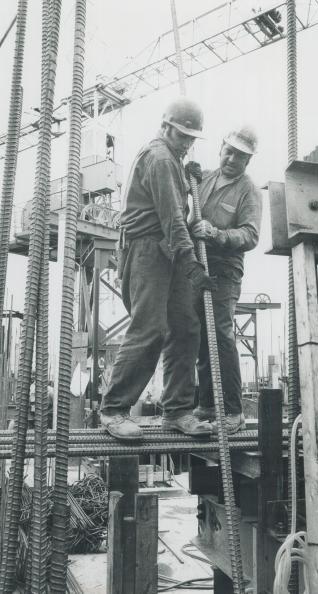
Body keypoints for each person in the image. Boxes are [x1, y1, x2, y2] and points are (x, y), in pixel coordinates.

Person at [100, 97, 217, 441]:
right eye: (182, 136)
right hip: (149, 250)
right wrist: (192, 263)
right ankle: (114, 409)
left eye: (191, 139)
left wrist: (189, 177)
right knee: (149, 328)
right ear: (166, 127)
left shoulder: (173, 161)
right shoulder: (161, 158)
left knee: (186, 327)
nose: (187, 143)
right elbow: (172, 221)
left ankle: (178, 410)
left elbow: (180, 217)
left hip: (167, 252)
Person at [191, 127, 262, 434]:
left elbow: (251, 234)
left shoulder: (248, 190)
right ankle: (206, 405)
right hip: (197, 266)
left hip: (225, 269)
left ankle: (233, 412)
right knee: (200, 337)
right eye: (229, 151)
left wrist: (217, 234)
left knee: (220, 335)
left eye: (241, 156)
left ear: (248, 161)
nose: (232, 159)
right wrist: (185, 175)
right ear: (221, 148)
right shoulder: (203, 178)